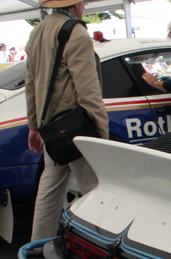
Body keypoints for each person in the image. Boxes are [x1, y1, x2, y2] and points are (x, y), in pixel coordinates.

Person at [26, 0, 109, 241]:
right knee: (98, 191)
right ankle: (98, 250)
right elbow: (88, 90)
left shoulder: (37, 31)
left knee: (49, 192)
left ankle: (39, 247)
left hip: (51, 129)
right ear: (75, 4)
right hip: (76, 128)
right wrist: (101, 136)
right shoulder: (75, 32)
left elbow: (30, 84)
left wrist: (34, 127)